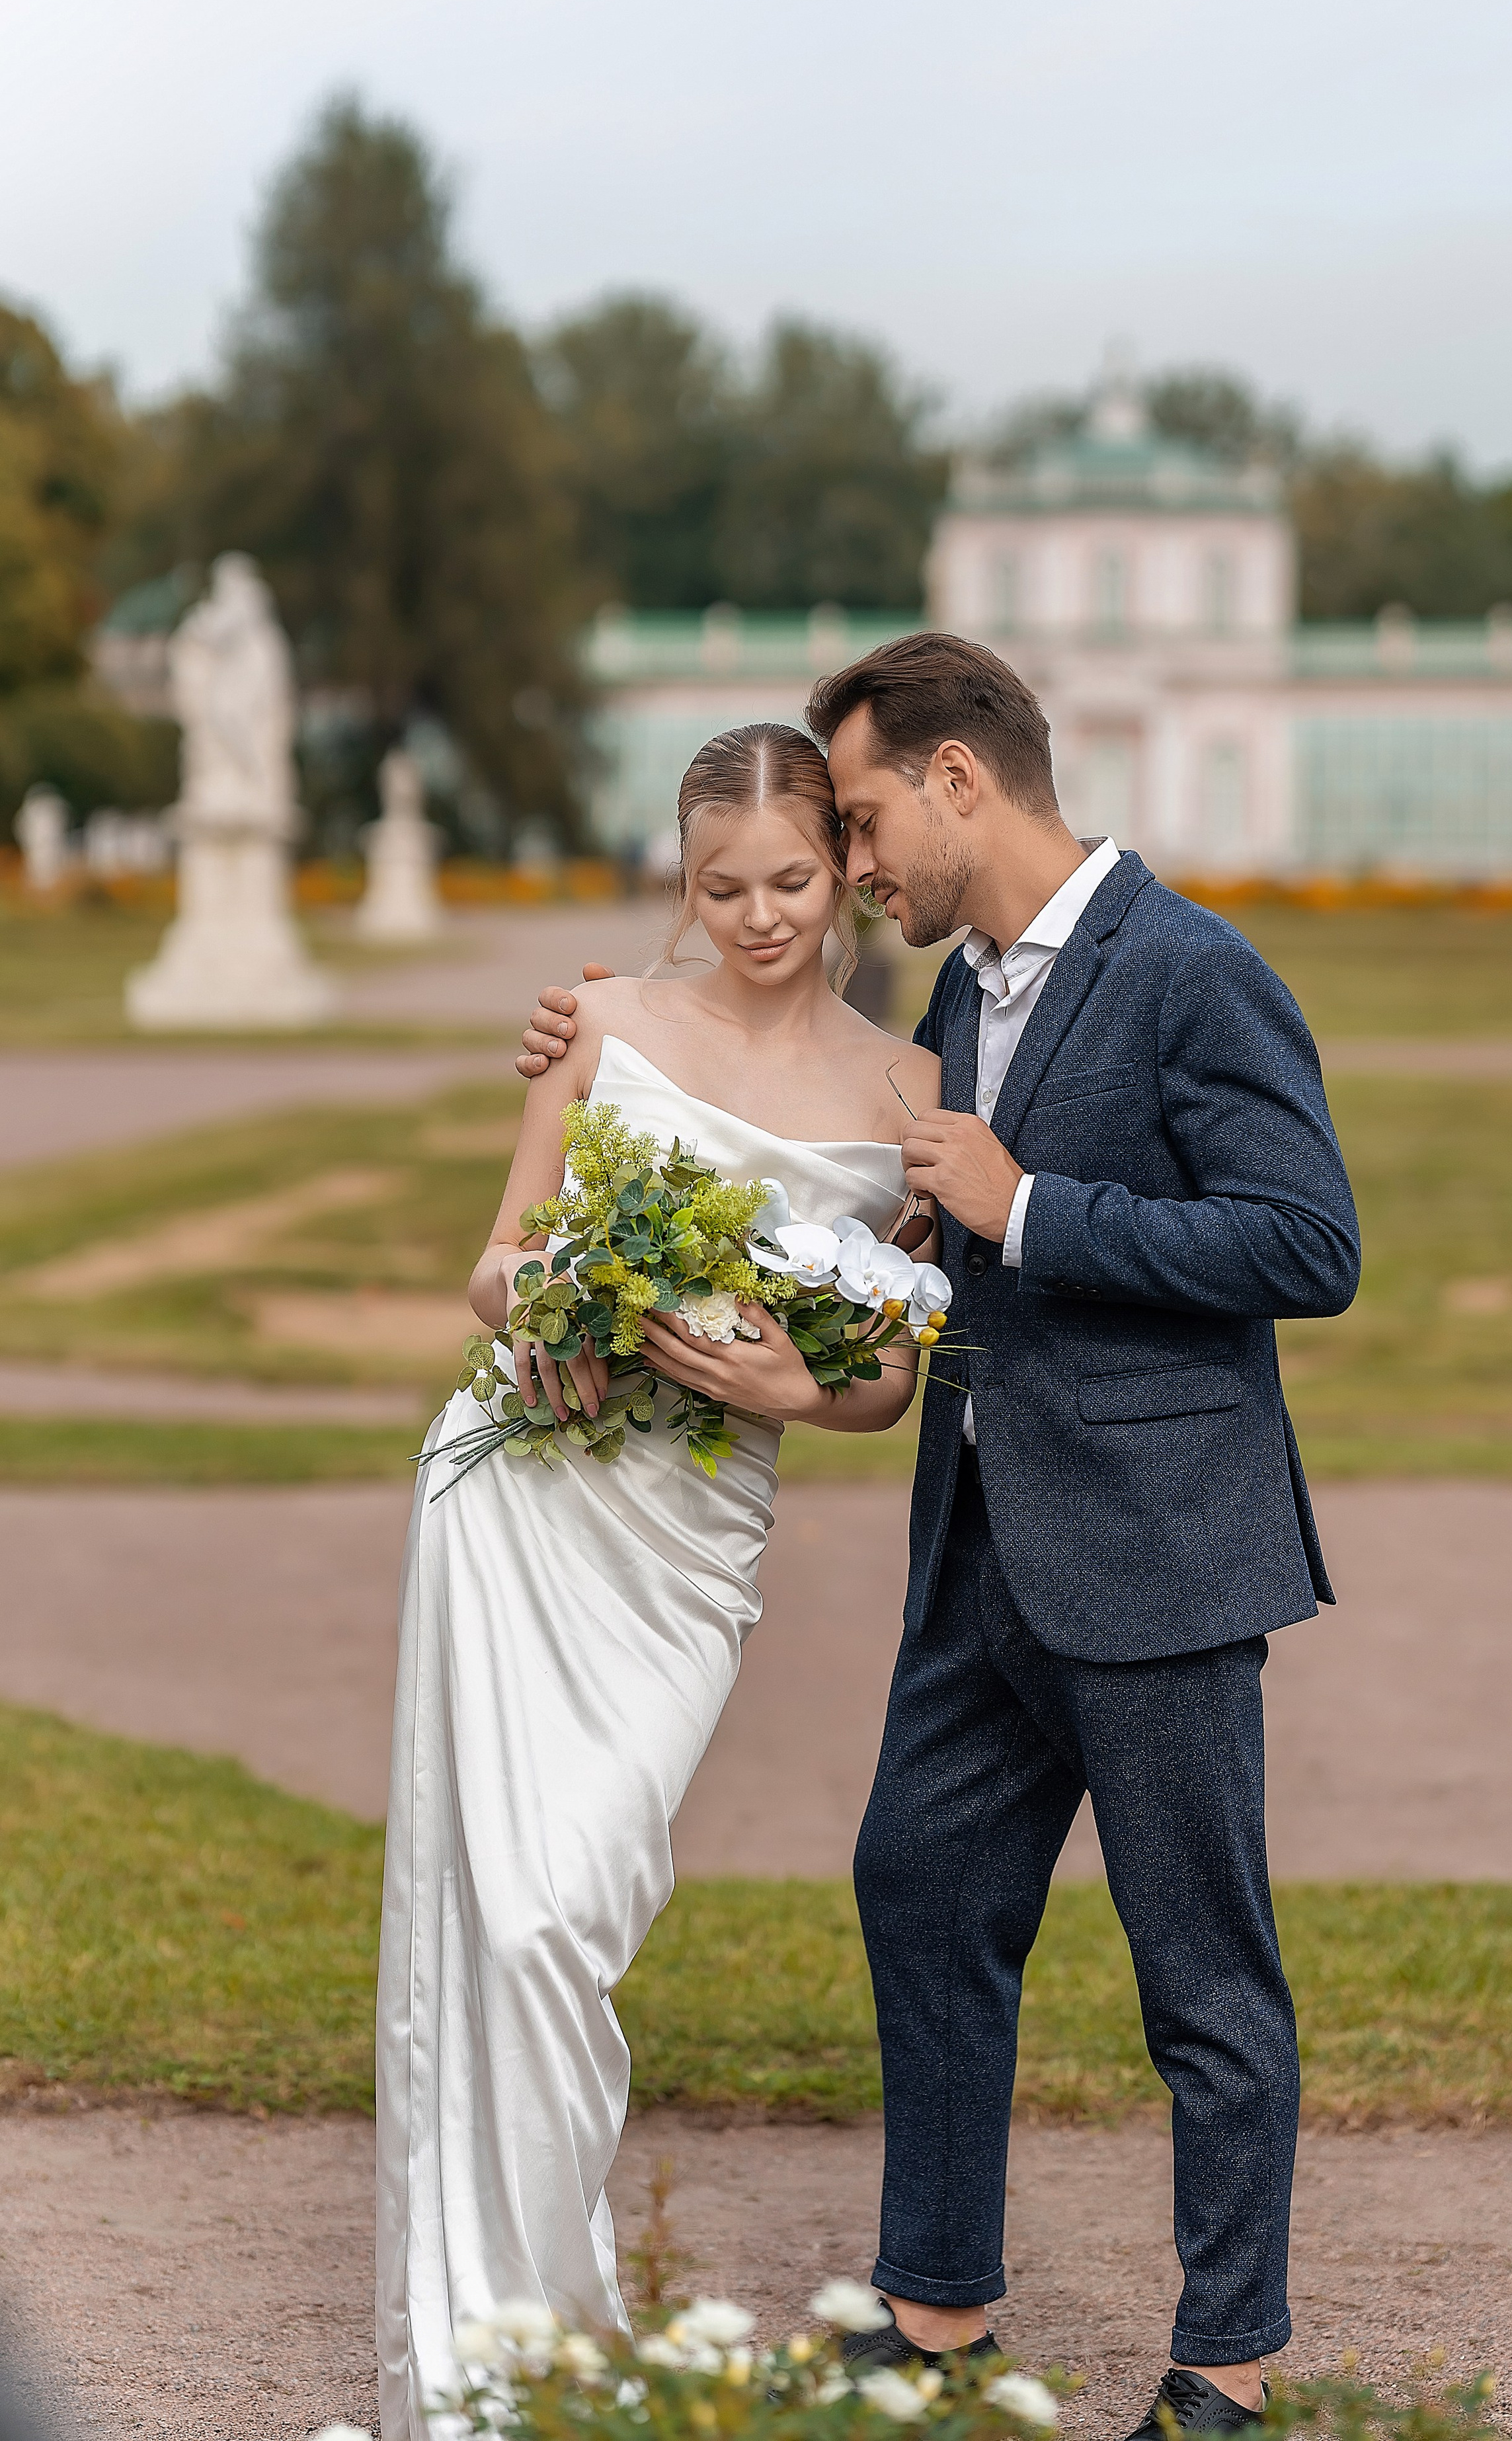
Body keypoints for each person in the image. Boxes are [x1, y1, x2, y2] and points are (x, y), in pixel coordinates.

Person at [516, 633, 1361, 2436]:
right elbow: (882, 1211)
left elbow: (1309, 1246)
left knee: (1202, 1968)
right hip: (978, 1544)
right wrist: (624, 1049)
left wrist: (1031, 1205)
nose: (859, 857)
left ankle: (1228, 2368)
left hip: (1156, 1553)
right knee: (919, 1888)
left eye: (871, 814)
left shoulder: (1198, 973)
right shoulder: (961, 998)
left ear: (963, 779)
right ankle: (939, 2317)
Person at [378, 723, 941, 2440]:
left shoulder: (908, 1093)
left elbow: (887, 1370)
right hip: (522, 1491)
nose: (756, 915)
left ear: (840, 868)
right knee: (511, 1914)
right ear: (680, 876)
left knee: (583, 1899)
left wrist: (791, 1388)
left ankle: (535, 2333)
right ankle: (514, 2349)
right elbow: (499, 1254)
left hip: (693, 1545)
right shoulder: (604, 1022)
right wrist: (551, 1309)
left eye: (785, 879)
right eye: (720, 886)